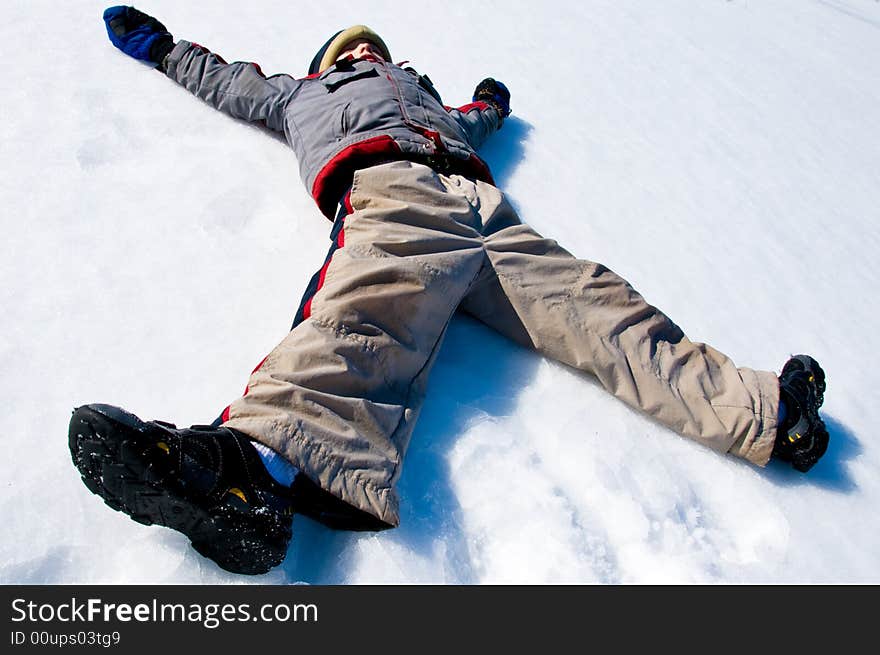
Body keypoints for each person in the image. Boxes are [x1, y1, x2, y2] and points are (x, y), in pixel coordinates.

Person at [69, 6, 830, 576]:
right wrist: (162, 46)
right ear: (325, 64)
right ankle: (243, 477)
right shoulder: (300, 96)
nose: (363, 49)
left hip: (489, 214)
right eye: (347, 48)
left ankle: (769, 415)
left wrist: (490, 105)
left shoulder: (430, 102)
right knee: (367, 307)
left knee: (606, 312)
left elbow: (478, 119)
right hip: (395, 192)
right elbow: (227, 81)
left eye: (371, 44)